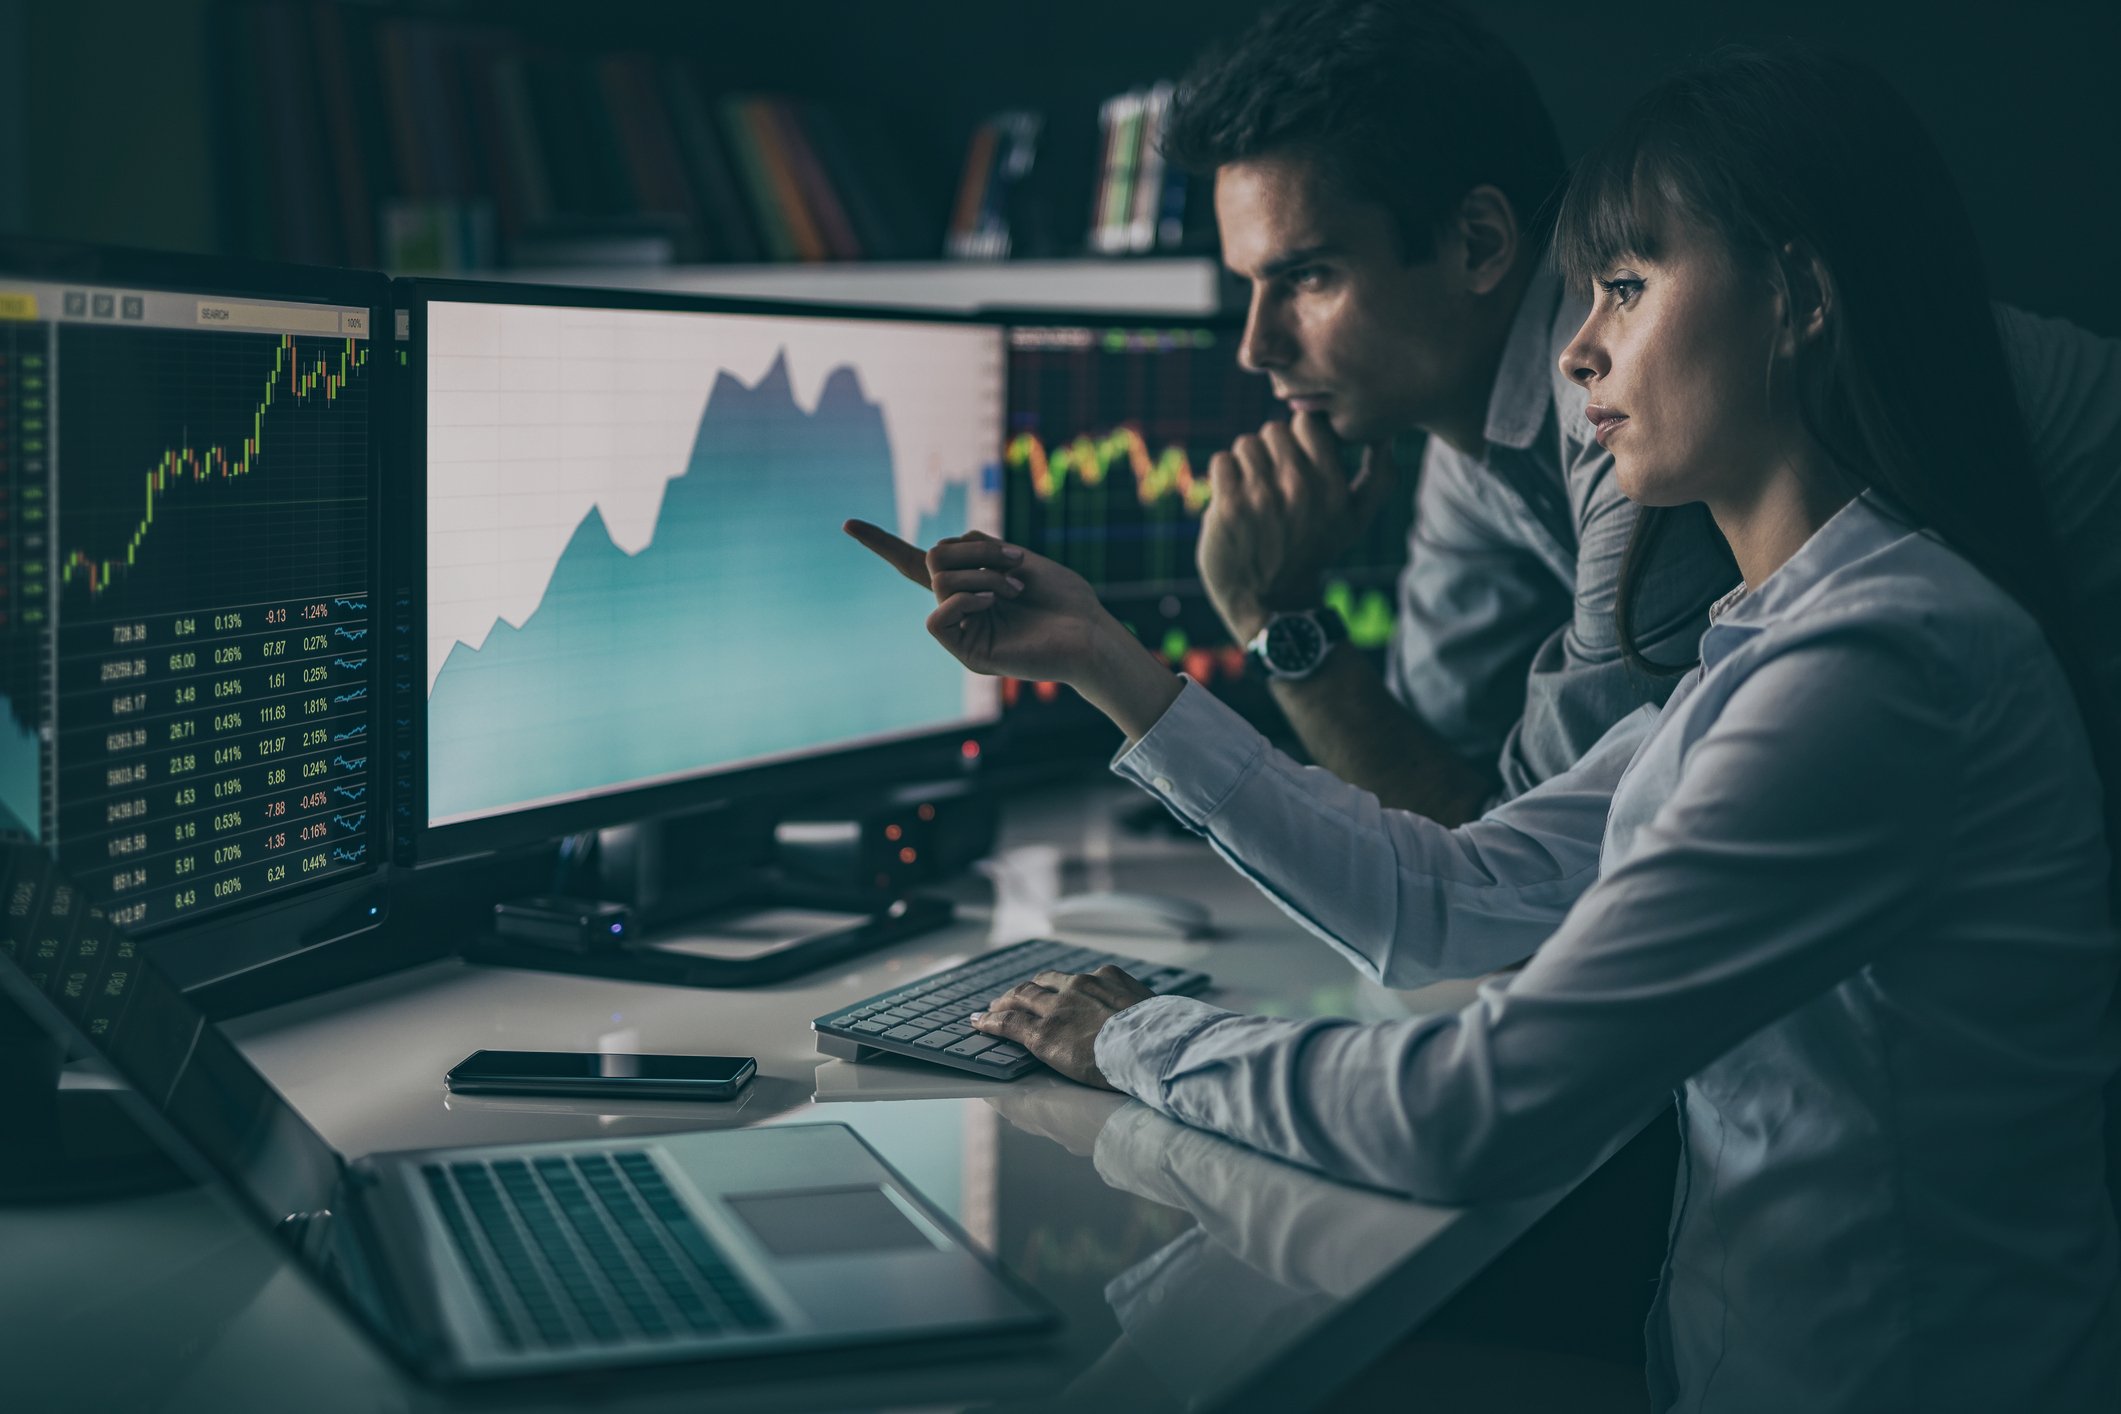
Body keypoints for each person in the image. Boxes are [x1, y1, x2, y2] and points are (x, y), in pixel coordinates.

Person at [849, 44, 2121, 1410]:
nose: (1575, 343)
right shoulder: (1776, 641)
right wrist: (1103, 658)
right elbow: (1454, 884)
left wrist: (1135, 1039)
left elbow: (1473, 1108)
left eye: (1625, 289)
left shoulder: (1872, 666)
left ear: (1799, 301)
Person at [1155, 0, 2121, 828]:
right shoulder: (1483, 428)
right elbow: (1435, 790)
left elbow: (1518, 882)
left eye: (1308, 276)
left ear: (1480, 243)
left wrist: (1280, 621)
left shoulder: (1646, 409)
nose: (1256, 346)